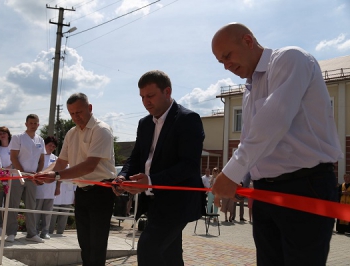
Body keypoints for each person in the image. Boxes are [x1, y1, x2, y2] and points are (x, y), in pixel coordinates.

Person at [211, 23, 343, 265]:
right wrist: (241, 182)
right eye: (221, 61)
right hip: (265, 193)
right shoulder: (251, 88)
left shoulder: (290, 59)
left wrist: (231, 174)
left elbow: (273, 122)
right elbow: (253, 139)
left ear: (248, 41)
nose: (226, 65)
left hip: (304, 186)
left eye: (227, 55)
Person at [113, 70, 205, 266]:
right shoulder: (144, 123)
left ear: (167, 92)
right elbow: (136, 157)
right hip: (153, 202)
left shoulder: (188, 120)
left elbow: (188, 166)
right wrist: (122, 176)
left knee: (148, 248)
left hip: (177, 203)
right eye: (142, 97)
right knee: (169, 256)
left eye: (150, 95)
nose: (146, 102)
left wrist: (151, 181)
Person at [34, 93, 116, 266]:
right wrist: (42, 173)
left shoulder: (101, 130)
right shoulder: (72, 133)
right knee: (84, 242)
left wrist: (55, 176)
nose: (75, 117)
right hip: (82, 191)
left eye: (79, 112)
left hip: (101, 191)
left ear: (90, 108)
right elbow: (61, 162)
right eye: (71, 113)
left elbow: (89, 165)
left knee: (97, 243)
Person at [5, 114, 45, 243]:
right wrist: (22, 172)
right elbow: (13, 157)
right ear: (26, 124)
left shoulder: (40, 140)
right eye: (31, 123)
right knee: (13, 204)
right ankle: (11, 232)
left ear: (38, 124)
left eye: (35, 123)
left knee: (31, 205)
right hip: (18, 175)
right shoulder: (18, 137)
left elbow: (41, 159)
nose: (33, 125)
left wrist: (38, 174)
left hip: (32, 177)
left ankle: (32, 233)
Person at [35, 136, 58, 239]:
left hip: (50, 189)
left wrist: (58, 187)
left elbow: (58, 175)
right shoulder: (39, 156)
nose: (51, 147)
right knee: (37, 211)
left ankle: (45, 231)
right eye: (50, 145)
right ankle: (34, 230)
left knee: (48, 212)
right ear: (45, 144)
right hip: (39, 188)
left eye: (53, 146)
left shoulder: (55, 159)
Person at [0, 126, 12, 236]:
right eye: (0, 133)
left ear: (8, 134)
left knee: (9, 205)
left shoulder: (13, 147)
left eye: (4, 133)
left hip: (11, 179)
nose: (2, 135)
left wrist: (11, 167)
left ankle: (8, 227)